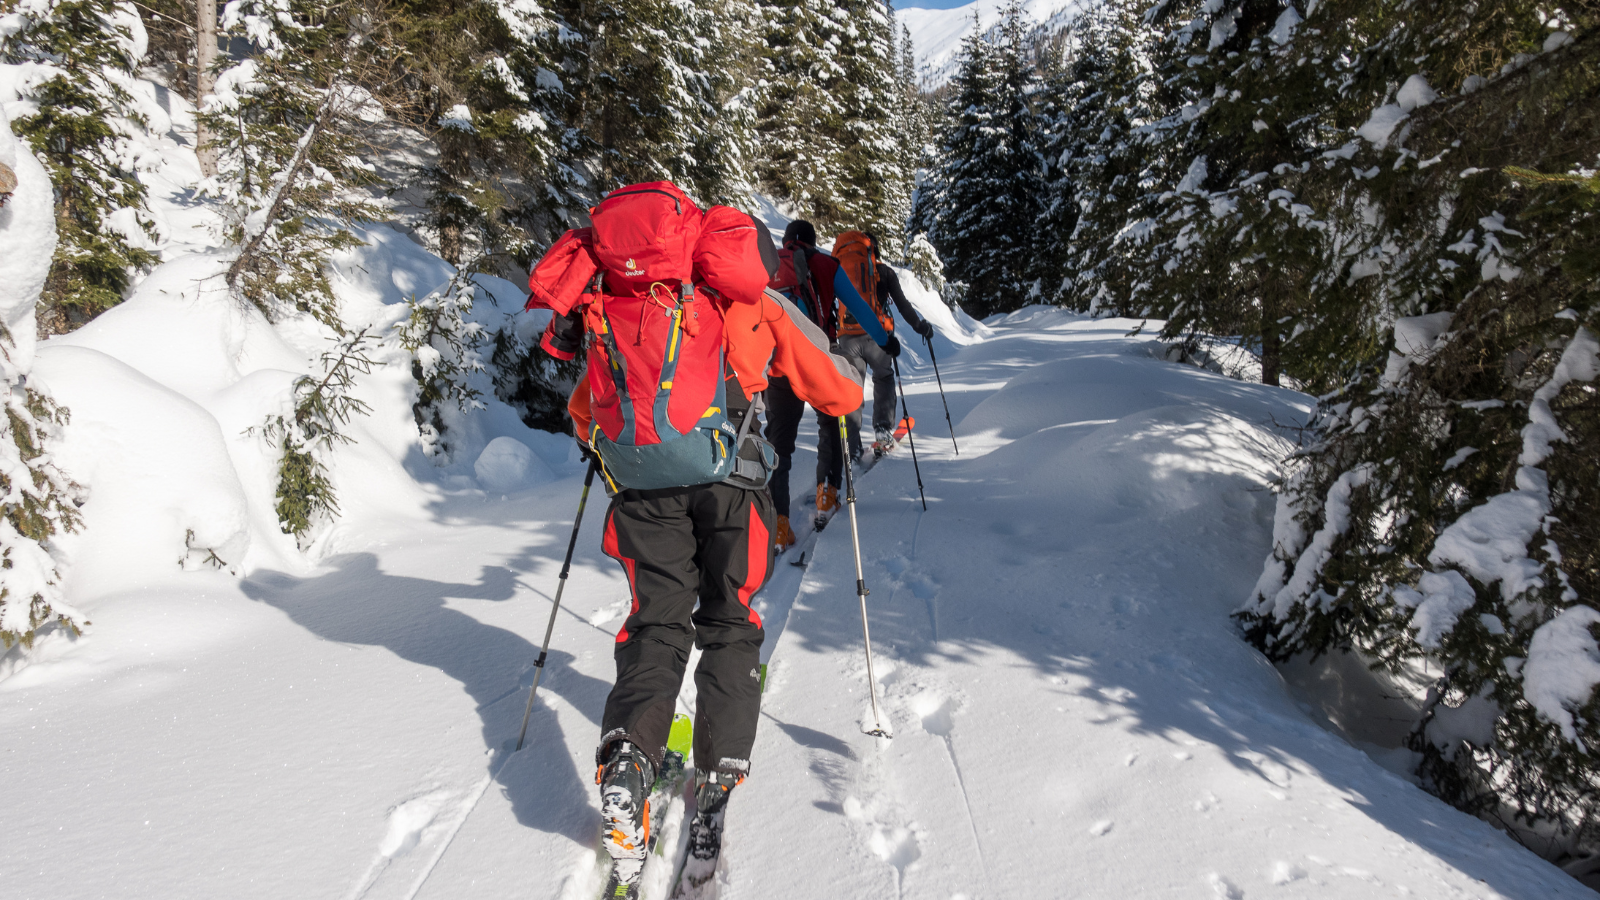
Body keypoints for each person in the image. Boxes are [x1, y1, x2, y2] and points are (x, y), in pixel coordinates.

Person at [526, 184, 864, 892]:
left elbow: (588, 411)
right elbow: (838, 391)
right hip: (733, 490)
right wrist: (850, 380)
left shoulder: (615, 301)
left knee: (656, 625)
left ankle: (629, 761)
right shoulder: (747, 300)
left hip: (641, 491)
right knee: (731, 625)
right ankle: (712, 790)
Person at [763, 220, 901, 537]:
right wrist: (885, 341)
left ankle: (779, 523)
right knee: (831, 424)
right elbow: (861, 309)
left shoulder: (771, 266)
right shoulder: (827, 265)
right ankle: (827, 493)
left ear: (786, 242)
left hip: (779, 364)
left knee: (779, 443)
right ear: (813, 242)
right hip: (818, 359)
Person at [832, 231, 937, 458]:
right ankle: (882, 431)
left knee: (853, 387)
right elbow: (903, 305)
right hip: (878, 338)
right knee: (884, 377)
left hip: (847, 337)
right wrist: (921, 327)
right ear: (874, 250)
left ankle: (851, 445)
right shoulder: (885, 272)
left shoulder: (840, 269)